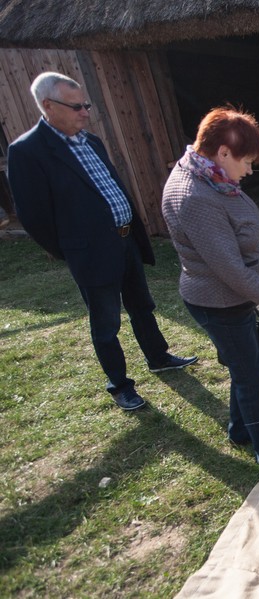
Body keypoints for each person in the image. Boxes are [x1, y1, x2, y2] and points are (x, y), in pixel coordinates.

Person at [6, 71, 196, 411]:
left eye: (87, 105)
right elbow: (33, 215)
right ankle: (120, 385)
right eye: (76, 107)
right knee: (106, 323)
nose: (85, 112)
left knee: (142, 306)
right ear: (48, 105)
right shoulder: (28, 151)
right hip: (89, 252)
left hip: (125, 240)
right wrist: (70, 249)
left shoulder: (91, 141)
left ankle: (158, 357)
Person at [161, 106, 259, 477]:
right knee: (251, 377)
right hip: (220, 303)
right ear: (222, 152)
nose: (249, 171)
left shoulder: (208, 176)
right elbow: (231, 271)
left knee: (242, 366)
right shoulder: (196, 197)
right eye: (246, 162)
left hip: (230, 299)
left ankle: (240, 430)